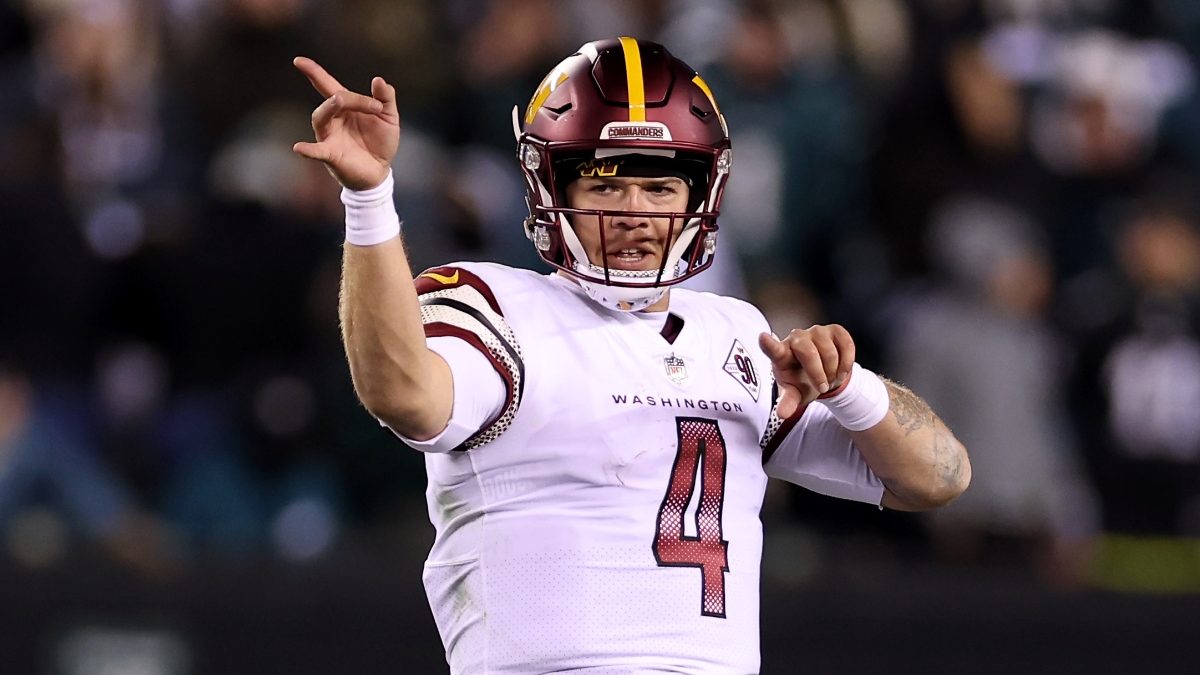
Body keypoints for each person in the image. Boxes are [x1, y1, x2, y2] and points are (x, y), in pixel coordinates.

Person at [293, 37, 970, 674]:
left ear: (701, 194)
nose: (635, 212)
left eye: (660, 186)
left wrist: (851, 389)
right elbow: (403, 394)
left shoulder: (737, 337)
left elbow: (938, 476)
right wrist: (370, 200)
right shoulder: (499, 307)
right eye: (606, 185)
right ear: (551, 188)